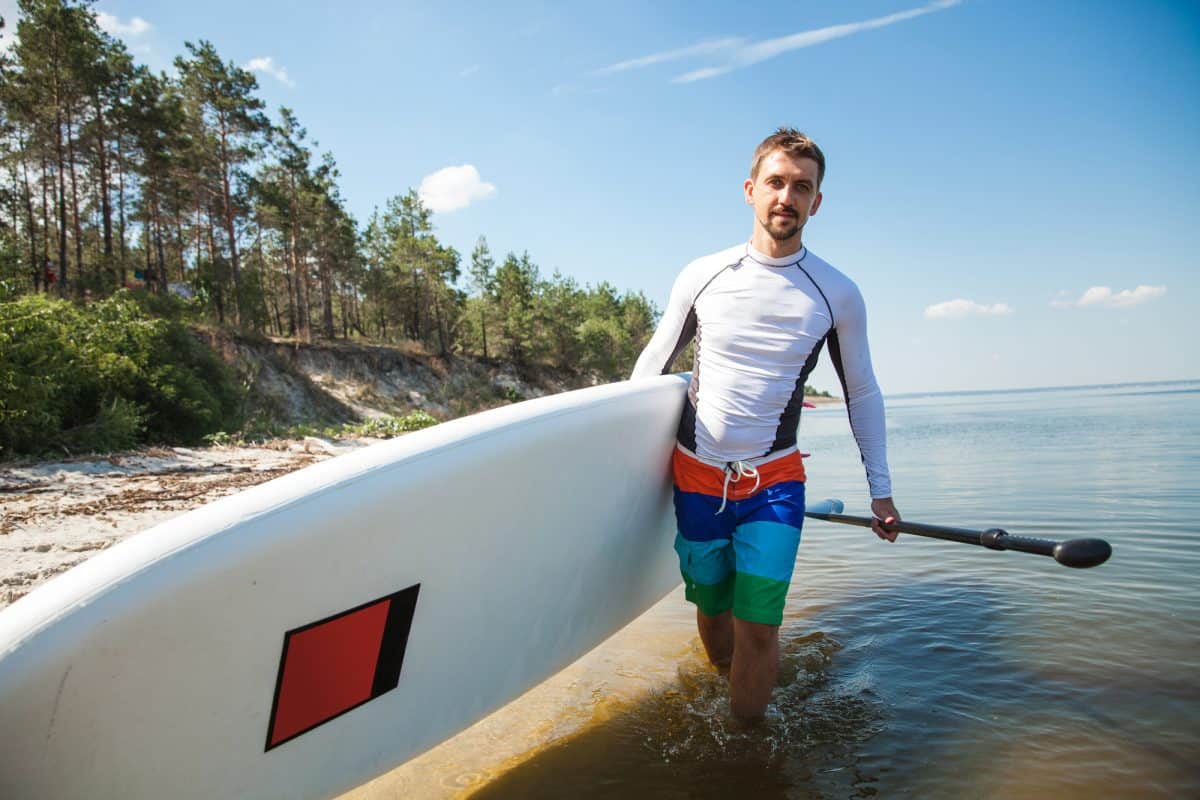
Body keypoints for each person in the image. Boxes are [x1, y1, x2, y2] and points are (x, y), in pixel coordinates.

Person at [630, 128, 901, 722]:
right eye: (776, 183)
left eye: (801, 187)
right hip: (696, 476)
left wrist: (880, 492)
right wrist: (619, 475)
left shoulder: (837, 292)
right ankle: (721, 687)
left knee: (760, 625)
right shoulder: (704, 273)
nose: (787, 196)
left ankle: (747, 753)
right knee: (714, 609)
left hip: (775, 482)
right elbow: (653, 367)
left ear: (816, 202)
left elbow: (862, 391)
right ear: (751, 190)